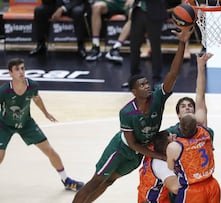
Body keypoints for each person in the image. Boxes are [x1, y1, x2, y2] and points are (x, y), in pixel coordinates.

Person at [72, 27, 193, 203]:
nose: (147, 86)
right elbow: (132, 143)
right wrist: (159, 156)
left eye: (147, 83)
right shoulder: (127, 112)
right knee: (96, 181)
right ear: (134, 92)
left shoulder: (158, 97)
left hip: (137, 155)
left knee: (109, 182)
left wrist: (182, 42)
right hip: (121, 150)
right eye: (142, 85)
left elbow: (173, 73)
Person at [137, 52, 214, 203]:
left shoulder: (202, 128)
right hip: (177, 184)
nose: (187, 108)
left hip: (199, 181)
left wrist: (200, 66)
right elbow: (156, 159)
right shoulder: (170, 134)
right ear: (178, 114)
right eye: (183, 106)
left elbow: (200, 95)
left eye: (190, 106)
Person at [0, 58, 84, 192]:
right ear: (10, 73)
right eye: (17, 69)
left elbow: (36, 98)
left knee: (50, 151)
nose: (21, 72)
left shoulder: (32, 85)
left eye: (23, 68)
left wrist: (45, 113)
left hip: (26, 123)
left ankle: (66, 180)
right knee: (0, 156)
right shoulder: (4, 91)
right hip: (5, 125)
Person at [166, 114, 221, 203]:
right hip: (212, 185)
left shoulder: (174, 147)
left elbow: (170, 168)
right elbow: (201, 111)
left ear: (179, 127)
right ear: (196, 126)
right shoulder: (205, 132)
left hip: (192, 190)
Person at [121, 0, 168, 88]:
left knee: (155, 47)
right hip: (138, 12)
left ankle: (157, 79)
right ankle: (134, 79)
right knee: (134, 46)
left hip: (154, 11)